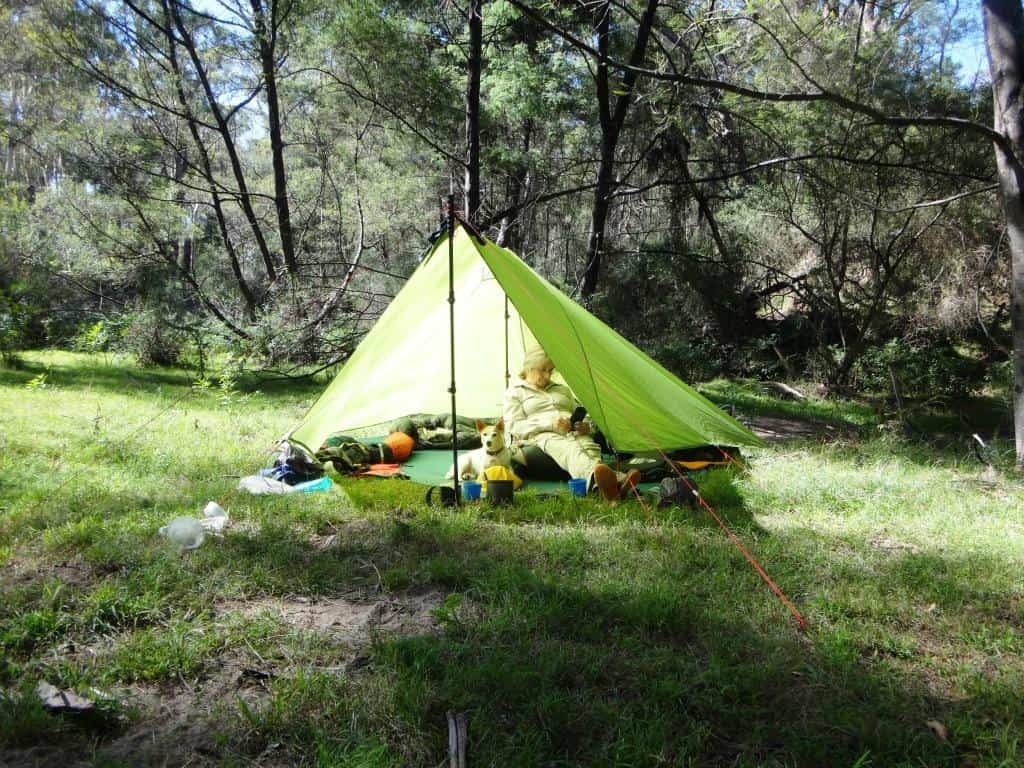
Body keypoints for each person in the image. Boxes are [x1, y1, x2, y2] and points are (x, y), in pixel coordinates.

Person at [503, 346, 639, 501]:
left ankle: (606, 490)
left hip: (572, 431)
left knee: (589, 447)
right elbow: (514, 426)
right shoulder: (514, 392)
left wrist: (586, 426)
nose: (547, 375)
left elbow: (580, 413)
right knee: (571, 449)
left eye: (550, 370)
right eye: (543, 370)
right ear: (529, 367)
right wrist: (550, 424)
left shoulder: (562, 390)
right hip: (543, 435)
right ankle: (614, 479)